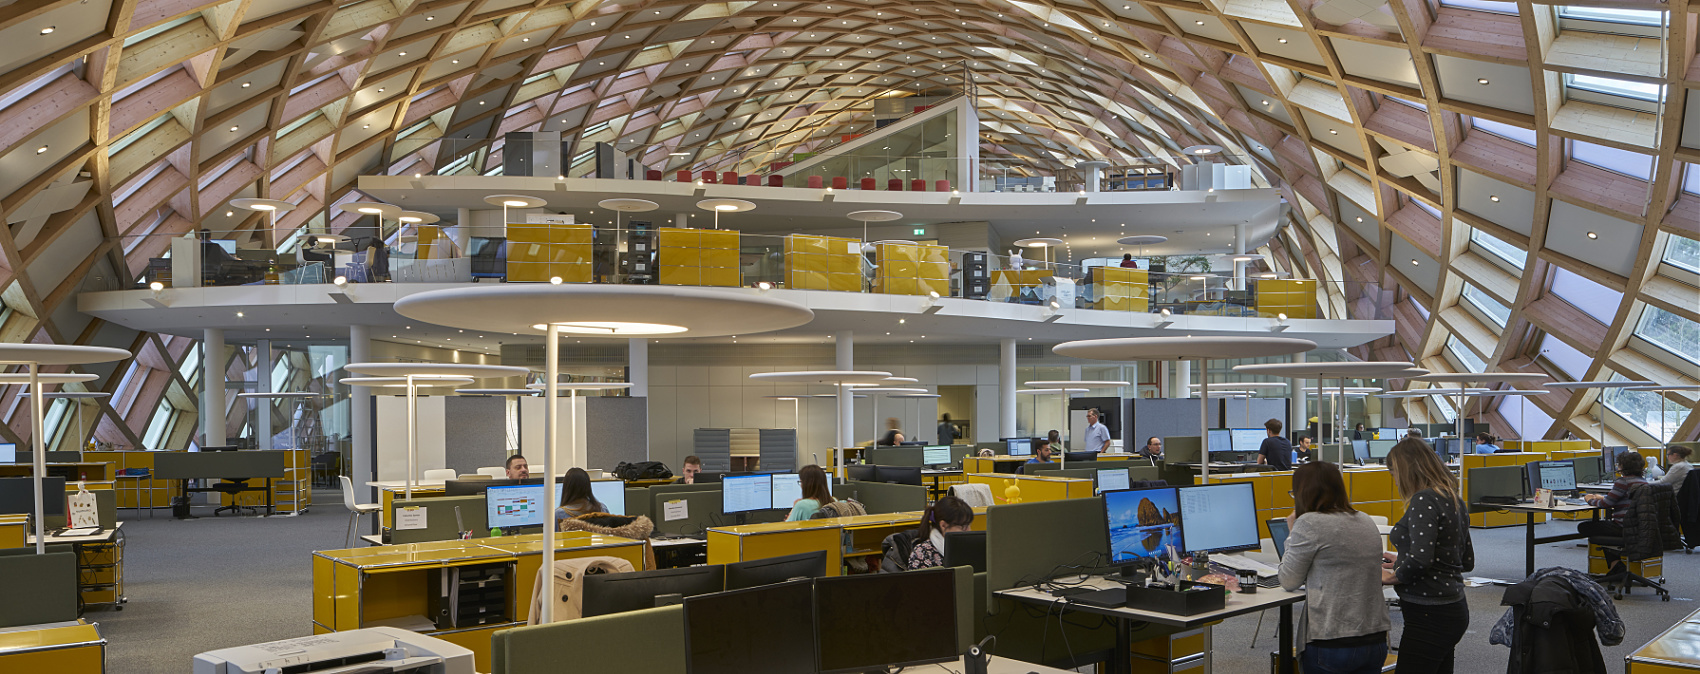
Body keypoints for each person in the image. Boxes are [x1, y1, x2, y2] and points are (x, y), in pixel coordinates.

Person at [1279, 462, 1391, 673]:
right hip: (1374, 639)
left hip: (1333, 641)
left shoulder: (1309, 523)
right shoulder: (1365, 520)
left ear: (1303, 493)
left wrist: (1293, 530)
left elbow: (1288, 580)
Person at [1382, 437, 1475, 674]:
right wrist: (1401, 559)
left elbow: (1422, 560)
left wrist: (1391, 577)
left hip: (1429, 613)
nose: (1393, 480)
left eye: (1393, 472)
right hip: (1452, 606)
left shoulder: (1423, 499)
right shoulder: (1453, 497)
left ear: (1406, 470)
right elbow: (1465, 560)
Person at [1579, 451, 1649, 566]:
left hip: (1623, 528)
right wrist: (1604, 498)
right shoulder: (1643, 482)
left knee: (1585, 527)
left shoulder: (1623, 482)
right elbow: (1621, 499)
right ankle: (1615, 566)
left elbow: (1605, 504)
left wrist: (1589, 500)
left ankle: (1616, 565)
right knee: (1604, 526)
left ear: (1622, 466)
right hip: (1639, 527)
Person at [907, 496, 975, 570]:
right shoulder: (923, 553)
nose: (969, 530)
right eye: (963, 527)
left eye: (969, 525)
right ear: (943, 525)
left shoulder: (969, 548)